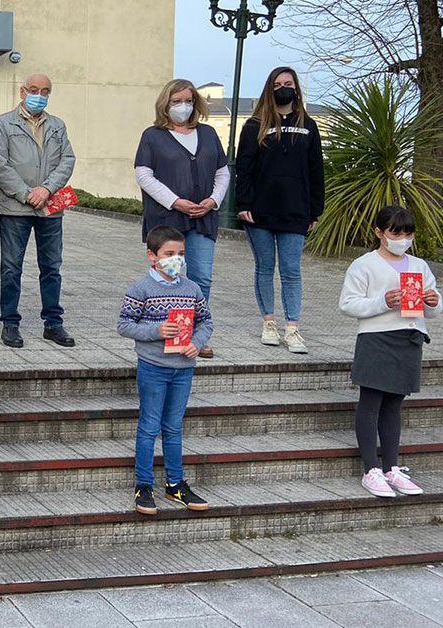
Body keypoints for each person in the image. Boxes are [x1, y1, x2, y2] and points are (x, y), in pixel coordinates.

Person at [339, 206, 440, 498]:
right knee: (371, 402)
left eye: (408, 233)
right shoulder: (364, 264)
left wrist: (434, 301)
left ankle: (392, 467)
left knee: (395, 403)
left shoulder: (419, 265)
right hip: (376, 337)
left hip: (410, 338)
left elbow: (432, 308)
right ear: (379, 232)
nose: (402, 238)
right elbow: (348, 304)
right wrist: (382, 301)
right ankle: (371, 469)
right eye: (396, 233)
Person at [117, 225, 213, 516]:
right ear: (152, 256)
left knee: (173, 426)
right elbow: (124, 325)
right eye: (170, 254)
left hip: (183, 368)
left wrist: (197, 343)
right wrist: (156, 330)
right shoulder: (140, 289)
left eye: (181, 254)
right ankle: (143, 485)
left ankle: (175, 483)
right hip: (153, 367)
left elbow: (205, 321)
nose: (177, 260)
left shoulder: (192, 288)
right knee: (149, 426)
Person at [134, 78, 229, 359]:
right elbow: (144, 175)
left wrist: (213, 200)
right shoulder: (153, 136)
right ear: (166, 104)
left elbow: (222, 172)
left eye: (188, 101)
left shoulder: (209, 134)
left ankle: (196, 337)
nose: (183, 107)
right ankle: (168, 332)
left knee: (201, 278)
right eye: (176, 102)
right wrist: (175, 202)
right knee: (167, 277)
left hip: (202, 218)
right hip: (167, 219)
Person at [236, 67, 325, 354]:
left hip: (295, 210)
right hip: (260, 211)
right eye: (277, 84)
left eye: (288, 84)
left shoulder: (308, 125)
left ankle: (293, 329)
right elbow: (244, 168)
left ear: (296, 88)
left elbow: (316, 170)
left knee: (291, 271)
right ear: (269, 88)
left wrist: (315, 210)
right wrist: (243, 204)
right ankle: (269, 324)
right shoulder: (254, 125)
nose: (283, 88)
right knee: (264, 268)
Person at [0, 73, 77, 349]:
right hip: (16, 208)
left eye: (46, 90)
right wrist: (27, 193)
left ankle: (53, 323)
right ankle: (10, 323)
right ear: (22, 92)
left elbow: (67, 160)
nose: (40, 94)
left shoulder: (57, 126)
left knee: (51, 267)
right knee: (11, 268)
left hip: (50, 208)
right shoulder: (3, 124)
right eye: (34, 89)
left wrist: (46, 189)